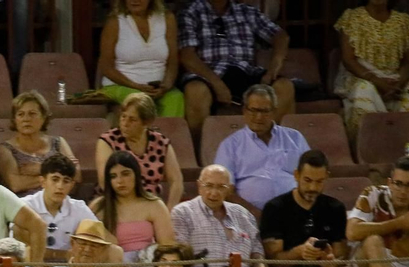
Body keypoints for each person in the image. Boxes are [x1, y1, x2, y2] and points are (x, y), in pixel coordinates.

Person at [260, 150, 372, 267]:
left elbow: (341, 254)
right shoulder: (275, 208)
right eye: (307, 180)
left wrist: (331, 261)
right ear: (296, 175)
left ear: (327, 177)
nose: (312, 187)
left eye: (319, 181)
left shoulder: (335, 208)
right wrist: (299, 253)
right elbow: (273, 261)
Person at [172, 163, 288, 267]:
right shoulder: (182, 212)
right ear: (199, 186)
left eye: (221, 187)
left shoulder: (242, 213)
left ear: (229, 190)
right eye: (209, 186)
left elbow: (256, 250)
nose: (214, 193)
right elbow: (179, 254)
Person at [177, 0, 295, 135]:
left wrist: (273, 68)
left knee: (284, 86)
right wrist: (217, 83)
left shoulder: (247, 11)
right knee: (195, 91)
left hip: (245, 71)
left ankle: (277, 147)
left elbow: (280, 36)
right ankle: (200, 151)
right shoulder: (190, 12)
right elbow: (187, 56)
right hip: (209, 73)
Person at [334, 0, 409, 140]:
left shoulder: (402, 21)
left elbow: (408, 62)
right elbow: (348, 60)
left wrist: (398, 84)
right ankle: (374, 146)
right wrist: (376, 81)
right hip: (363, 77)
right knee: (364, 88)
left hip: (395, 81)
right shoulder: (352, 18)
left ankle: (408, 146)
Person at [214, 84, 310, 213]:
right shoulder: (230, 145)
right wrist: (255, 215)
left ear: (274, 111)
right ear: (244, 110)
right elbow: (225, 190)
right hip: (249, 216)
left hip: (295, 213)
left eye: (264, 111)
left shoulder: (295, 138)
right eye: (253, 110)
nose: (258, 117)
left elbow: (311, 177)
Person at [89, 149, 175, 267]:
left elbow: (168, 246)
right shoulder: (98, 207)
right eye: (113, 176)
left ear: (136, 174)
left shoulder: (154, 204)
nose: (120, 181)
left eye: (125, 174)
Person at [97, 0, 185, 115]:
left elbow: (173, 60)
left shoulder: (167, 19)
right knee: (141, 102)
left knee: (176, 98)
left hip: (157, 87)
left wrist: (166, 86)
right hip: (121, 85)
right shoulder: (115, 22)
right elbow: (106, 67)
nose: (134, 1)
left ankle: (166, 133)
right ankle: (147, 133)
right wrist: (135, 86)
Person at [96, 92, 183, 205]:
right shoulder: (108, 141)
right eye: (123, 117)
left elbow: (176, 181)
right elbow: (105, 182)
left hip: (151, 205)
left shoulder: (161, 142)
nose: (125, 123)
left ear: (146, 122)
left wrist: (169, 213)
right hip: (115, 204)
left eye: (132, 120)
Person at [0, 91, 78, 196]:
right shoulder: (6, 149)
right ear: (14, 120)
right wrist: (57, 176)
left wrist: (40, 168)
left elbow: (76, 175)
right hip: (25, 206)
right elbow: (16, 184)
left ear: (44, 117)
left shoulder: (59, 142)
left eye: (32, 114)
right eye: (20, 114)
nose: (26, 119)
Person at [21, 154, 98, 264]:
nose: (60, 186)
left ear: (71, 185)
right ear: (43, 181)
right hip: (36, 264)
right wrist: (60, 254)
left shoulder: (78, 207)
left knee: (114, 251)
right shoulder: (26, 205)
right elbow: (21, 246)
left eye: (66, 181)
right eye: (55, 179)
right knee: (29, 253)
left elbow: (103, 237)